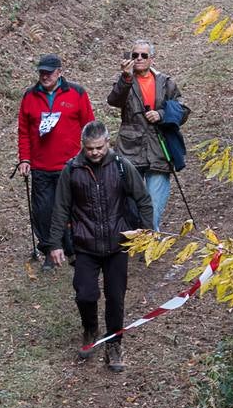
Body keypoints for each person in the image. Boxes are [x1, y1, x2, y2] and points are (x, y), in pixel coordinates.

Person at [48, 120, 152, 372]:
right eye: (89, 148)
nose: (94, 152)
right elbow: (60, 208)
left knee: (116, 298)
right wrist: (55, 244)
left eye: (99, 147)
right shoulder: (72, 170)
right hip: (85, 245)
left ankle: (114, 344)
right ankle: (90, 329)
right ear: (82, 145)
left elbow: (144, 200)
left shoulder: (121, 167)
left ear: (108, 143)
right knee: (85, 294)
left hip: (117, 245)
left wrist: (147, 234)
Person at [15, 54, 97, 269]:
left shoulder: (77, 93)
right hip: (41, 166)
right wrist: (24, 158)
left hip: (70, 165)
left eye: (49, 72)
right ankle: (50, 251)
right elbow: (23, 131)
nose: (45, 76)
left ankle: (75, 248)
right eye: (42, 72)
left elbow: (89, 126)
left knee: (74, 209)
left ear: (60, 72)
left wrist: (90, 155)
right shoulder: (30, 96)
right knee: (43, 211)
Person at [107, 39, 189, 231]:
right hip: (129, 149)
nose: (139, 59)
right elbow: (114, 100)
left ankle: (151, 243)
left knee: (154, 204)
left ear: (152, 59)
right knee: (131, 203)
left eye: (144, 55)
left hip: (159, 148)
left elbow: (182, 110)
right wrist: (125, 78)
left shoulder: (166, 82)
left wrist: (161, 114)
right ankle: (139, 239)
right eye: (135, 55)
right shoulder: (126, 80)